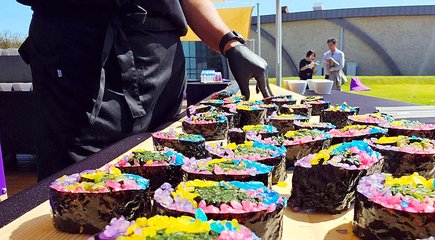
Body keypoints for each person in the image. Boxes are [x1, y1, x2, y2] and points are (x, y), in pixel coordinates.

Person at [17, 0, 273, 180]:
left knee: (169, 169)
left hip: (159, 61)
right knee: (77, 182)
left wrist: (229, 43)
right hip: (75, 57)